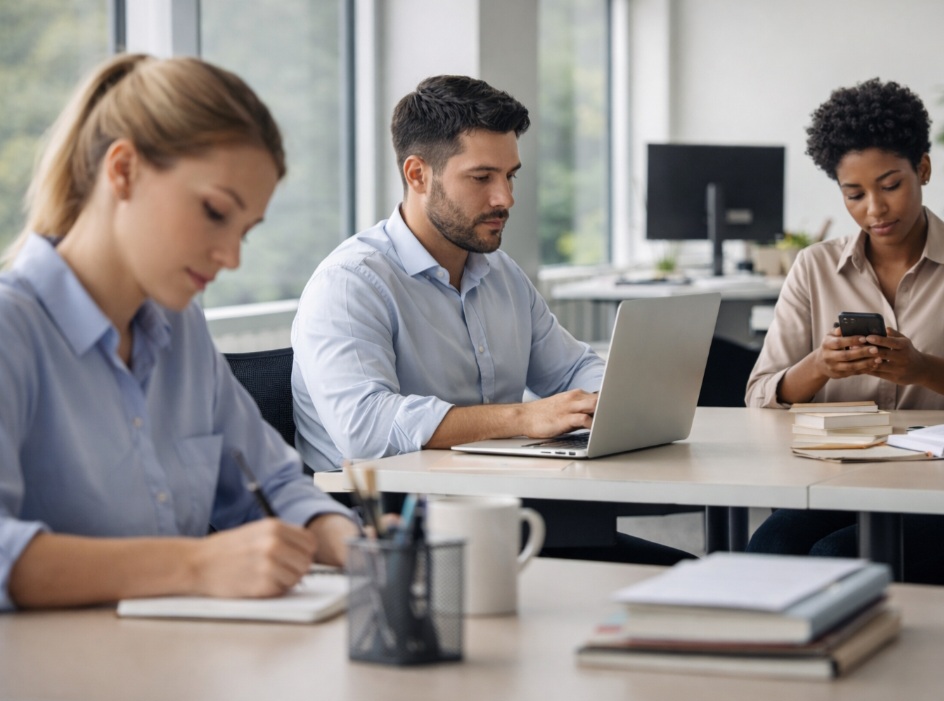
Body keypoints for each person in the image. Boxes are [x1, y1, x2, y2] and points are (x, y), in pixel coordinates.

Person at [0, 54, 362, 612]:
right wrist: (195, 565)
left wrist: (360, 547)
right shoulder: (12, 330)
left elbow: (274, 485)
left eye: (245, 231)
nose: (232, 257)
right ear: (123, 170)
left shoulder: (181, 326)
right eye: (215, 212)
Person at [291, 75, 694, 565]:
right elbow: (365, 428)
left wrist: (616, 403)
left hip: (502, 509)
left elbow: (570, 370)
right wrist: (522, 417)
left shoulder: (500, 273)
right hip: (393, 535)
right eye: (482, 178)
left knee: (688, 576)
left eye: (510, 176)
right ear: (418, 175)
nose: (505, 198)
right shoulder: (350, 282)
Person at [743, 78, 944, 584]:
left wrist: (922, 369)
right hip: (843, 481)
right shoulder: (813, 266)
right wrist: (819, 365)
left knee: (837, 557)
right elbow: (760, 394)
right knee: (768, 547)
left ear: (923, 169)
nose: (875, 209)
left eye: (890, 186)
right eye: (854, 194)